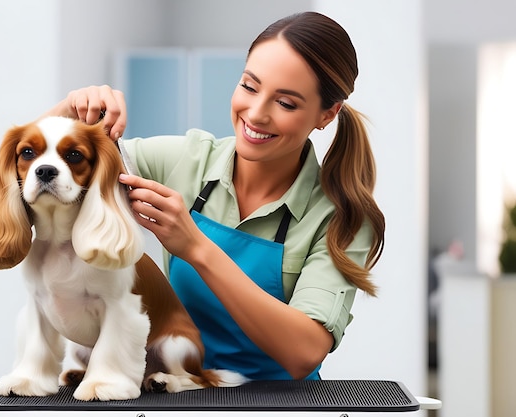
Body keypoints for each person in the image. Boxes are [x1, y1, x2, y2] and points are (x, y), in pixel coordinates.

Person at [44, 11, 385, 381]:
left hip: (282, 404)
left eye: (285, 103)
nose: (255, 114)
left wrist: (196, 247)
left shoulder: (341, 218)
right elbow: (29, 180)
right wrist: (69, 110)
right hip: (178, 390)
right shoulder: (186, 160)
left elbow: (304, 352)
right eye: (249, 86)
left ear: (326, 114)